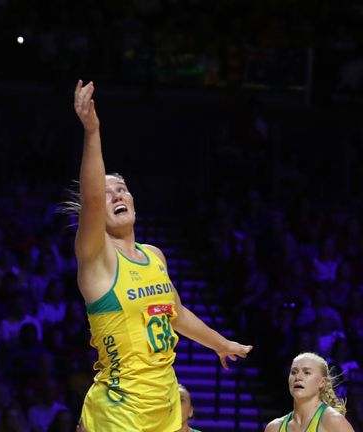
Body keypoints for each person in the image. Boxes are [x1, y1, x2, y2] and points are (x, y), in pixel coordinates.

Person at [66, 80, 253, 432]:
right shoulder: (97, 259)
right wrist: (92, 132)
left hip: (165, 402)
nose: (116, 195)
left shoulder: (153, 256)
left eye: (122, 188)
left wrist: (220, 344)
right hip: (120, 406)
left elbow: (176, 312)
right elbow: (90, 199)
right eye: (107, 193)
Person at [264, 352, 354, 432]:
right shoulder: (274, 428)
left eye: (307, 373)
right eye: (294, 372)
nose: (298, 377)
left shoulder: (334, 421)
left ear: (322, 382)